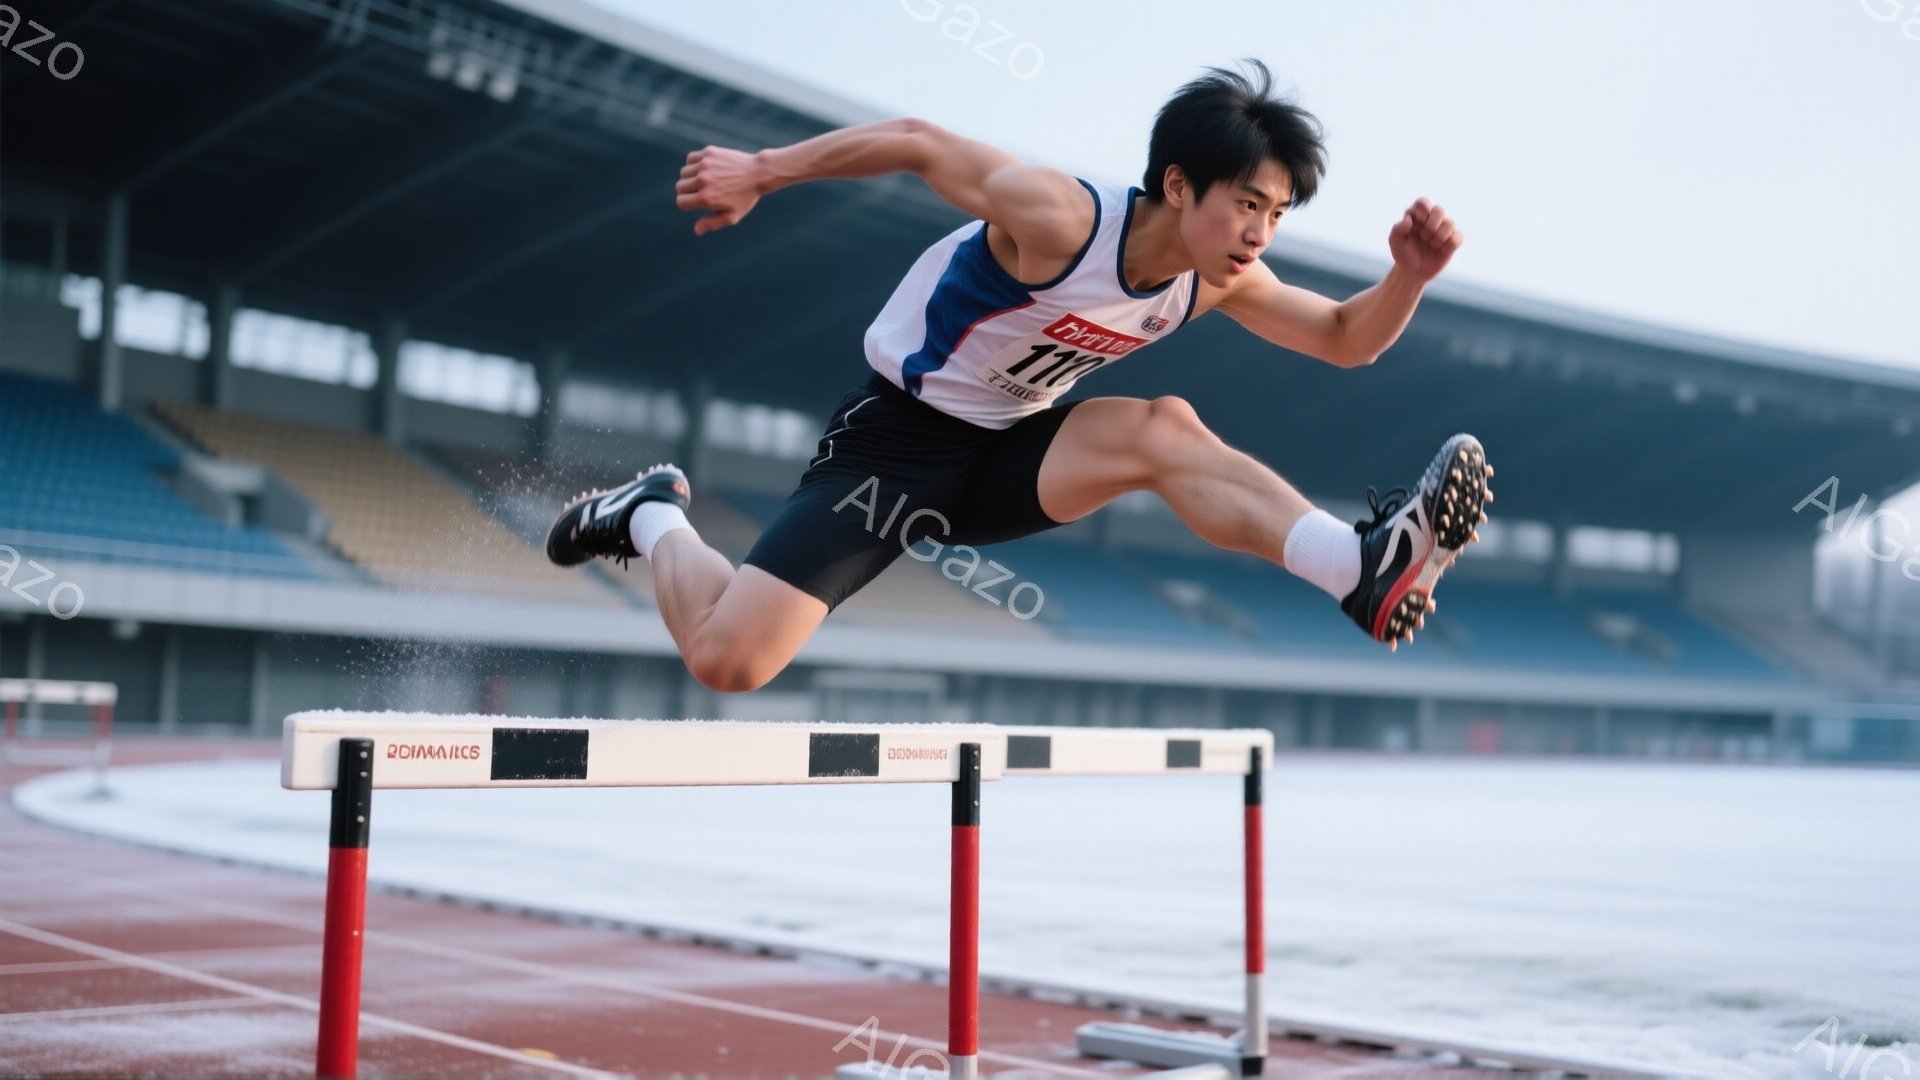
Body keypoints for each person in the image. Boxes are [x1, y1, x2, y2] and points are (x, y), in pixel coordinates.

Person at [546, 60, 1493, 694]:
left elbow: (1342, 338)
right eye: (1248, 203)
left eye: (1277, 214)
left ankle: (1357, 568)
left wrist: (1405, 277)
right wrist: (761, 167)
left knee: (1163, 427)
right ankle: (650, 512)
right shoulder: (1059, 220)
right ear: (1177, 185)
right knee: (728, 662)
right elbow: (919, 141)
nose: (1261, 234)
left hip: (1012, 456)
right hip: (894, 448)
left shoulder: (1217, 281)